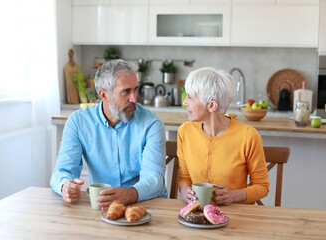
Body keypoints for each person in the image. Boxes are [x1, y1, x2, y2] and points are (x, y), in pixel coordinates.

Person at [50, 59, 167, 210]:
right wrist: (65, 186)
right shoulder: (78, 121)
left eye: (135, 90)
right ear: (104, 95)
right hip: (103, 208)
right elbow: (61, 172)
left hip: (148, 206)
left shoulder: (151, 123)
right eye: (126, 92)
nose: (134, 99)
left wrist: (130, 194)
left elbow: (154, 179)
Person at [178, 67, 269, 206]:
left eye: (190, 97)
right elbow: (185, 178)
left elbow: (262, 186)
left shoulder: (248, 136)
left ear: (212, 105)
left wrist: (233, 196)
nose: (185, 103)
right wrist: (184, 190)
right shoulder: (185, 132)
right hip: (196, 215)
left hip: (238, 218)